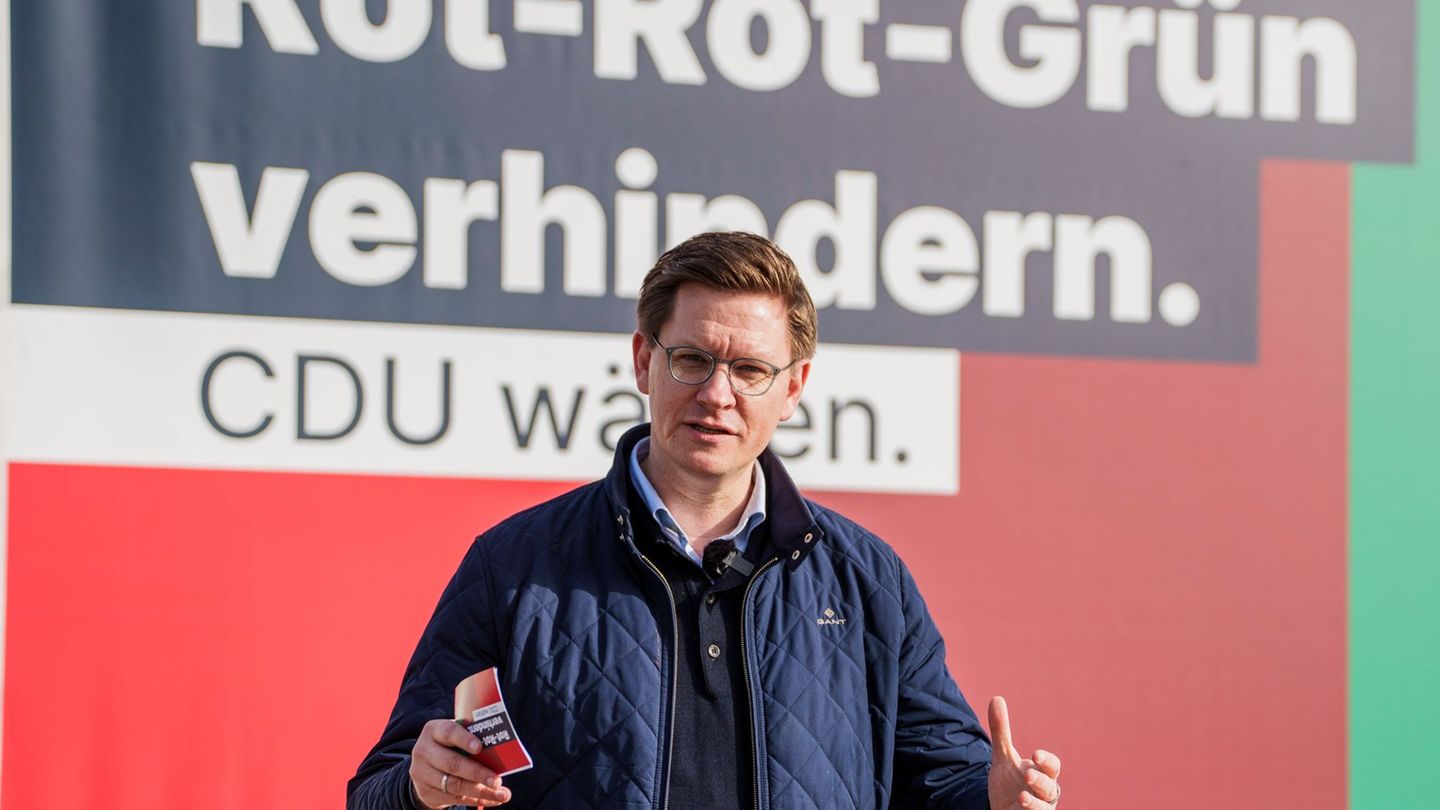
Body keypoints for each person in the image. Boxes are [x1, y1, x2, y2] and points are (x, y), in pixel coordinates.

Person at [347, 231, 1063, 809]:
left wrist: (995, 799)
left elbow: (941, 781)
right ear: (642, 361)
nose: (717, 394)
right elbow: (378, 791)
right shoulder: (514, 565)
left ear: (793, 388)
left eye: (750, 369)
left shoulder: (867, 580)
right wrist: (420, 788)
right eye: (692, 359)